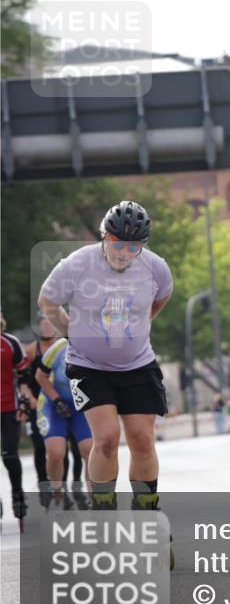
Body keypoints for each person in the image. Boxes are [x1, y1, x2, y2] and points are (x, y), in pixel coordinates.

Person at [37, 201, 172, 532]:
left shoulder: (155, 268)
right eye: (118, 243)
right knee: (108, 438)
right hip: (89, 366)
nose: (124, 253)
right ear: (104, 236)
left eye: (133, 247)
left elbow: (162, 297)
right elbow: (47, 300)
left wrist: (140, 326)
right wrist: (71, 332)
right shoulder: (78, 263)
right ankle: (104, 514)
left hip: (138, 365)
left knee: (142, 440)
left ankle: (146, 515)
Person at [35, 334, 94, 509]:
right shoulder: (60, 346)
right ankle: (57, 492)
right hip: (53, 403)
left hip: (80, 405)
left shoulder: (98, 347)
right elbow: (40, 376)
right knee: (56, 452)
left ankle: (95, 497)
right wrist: (57, 400)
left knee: (90, 452)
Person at [1, 314, 31, 529]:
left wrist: (23, 403)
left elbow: (24, 374)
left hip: (9, 407)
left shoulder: (10, 342)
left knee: (10, 456)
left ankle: (18, 499)